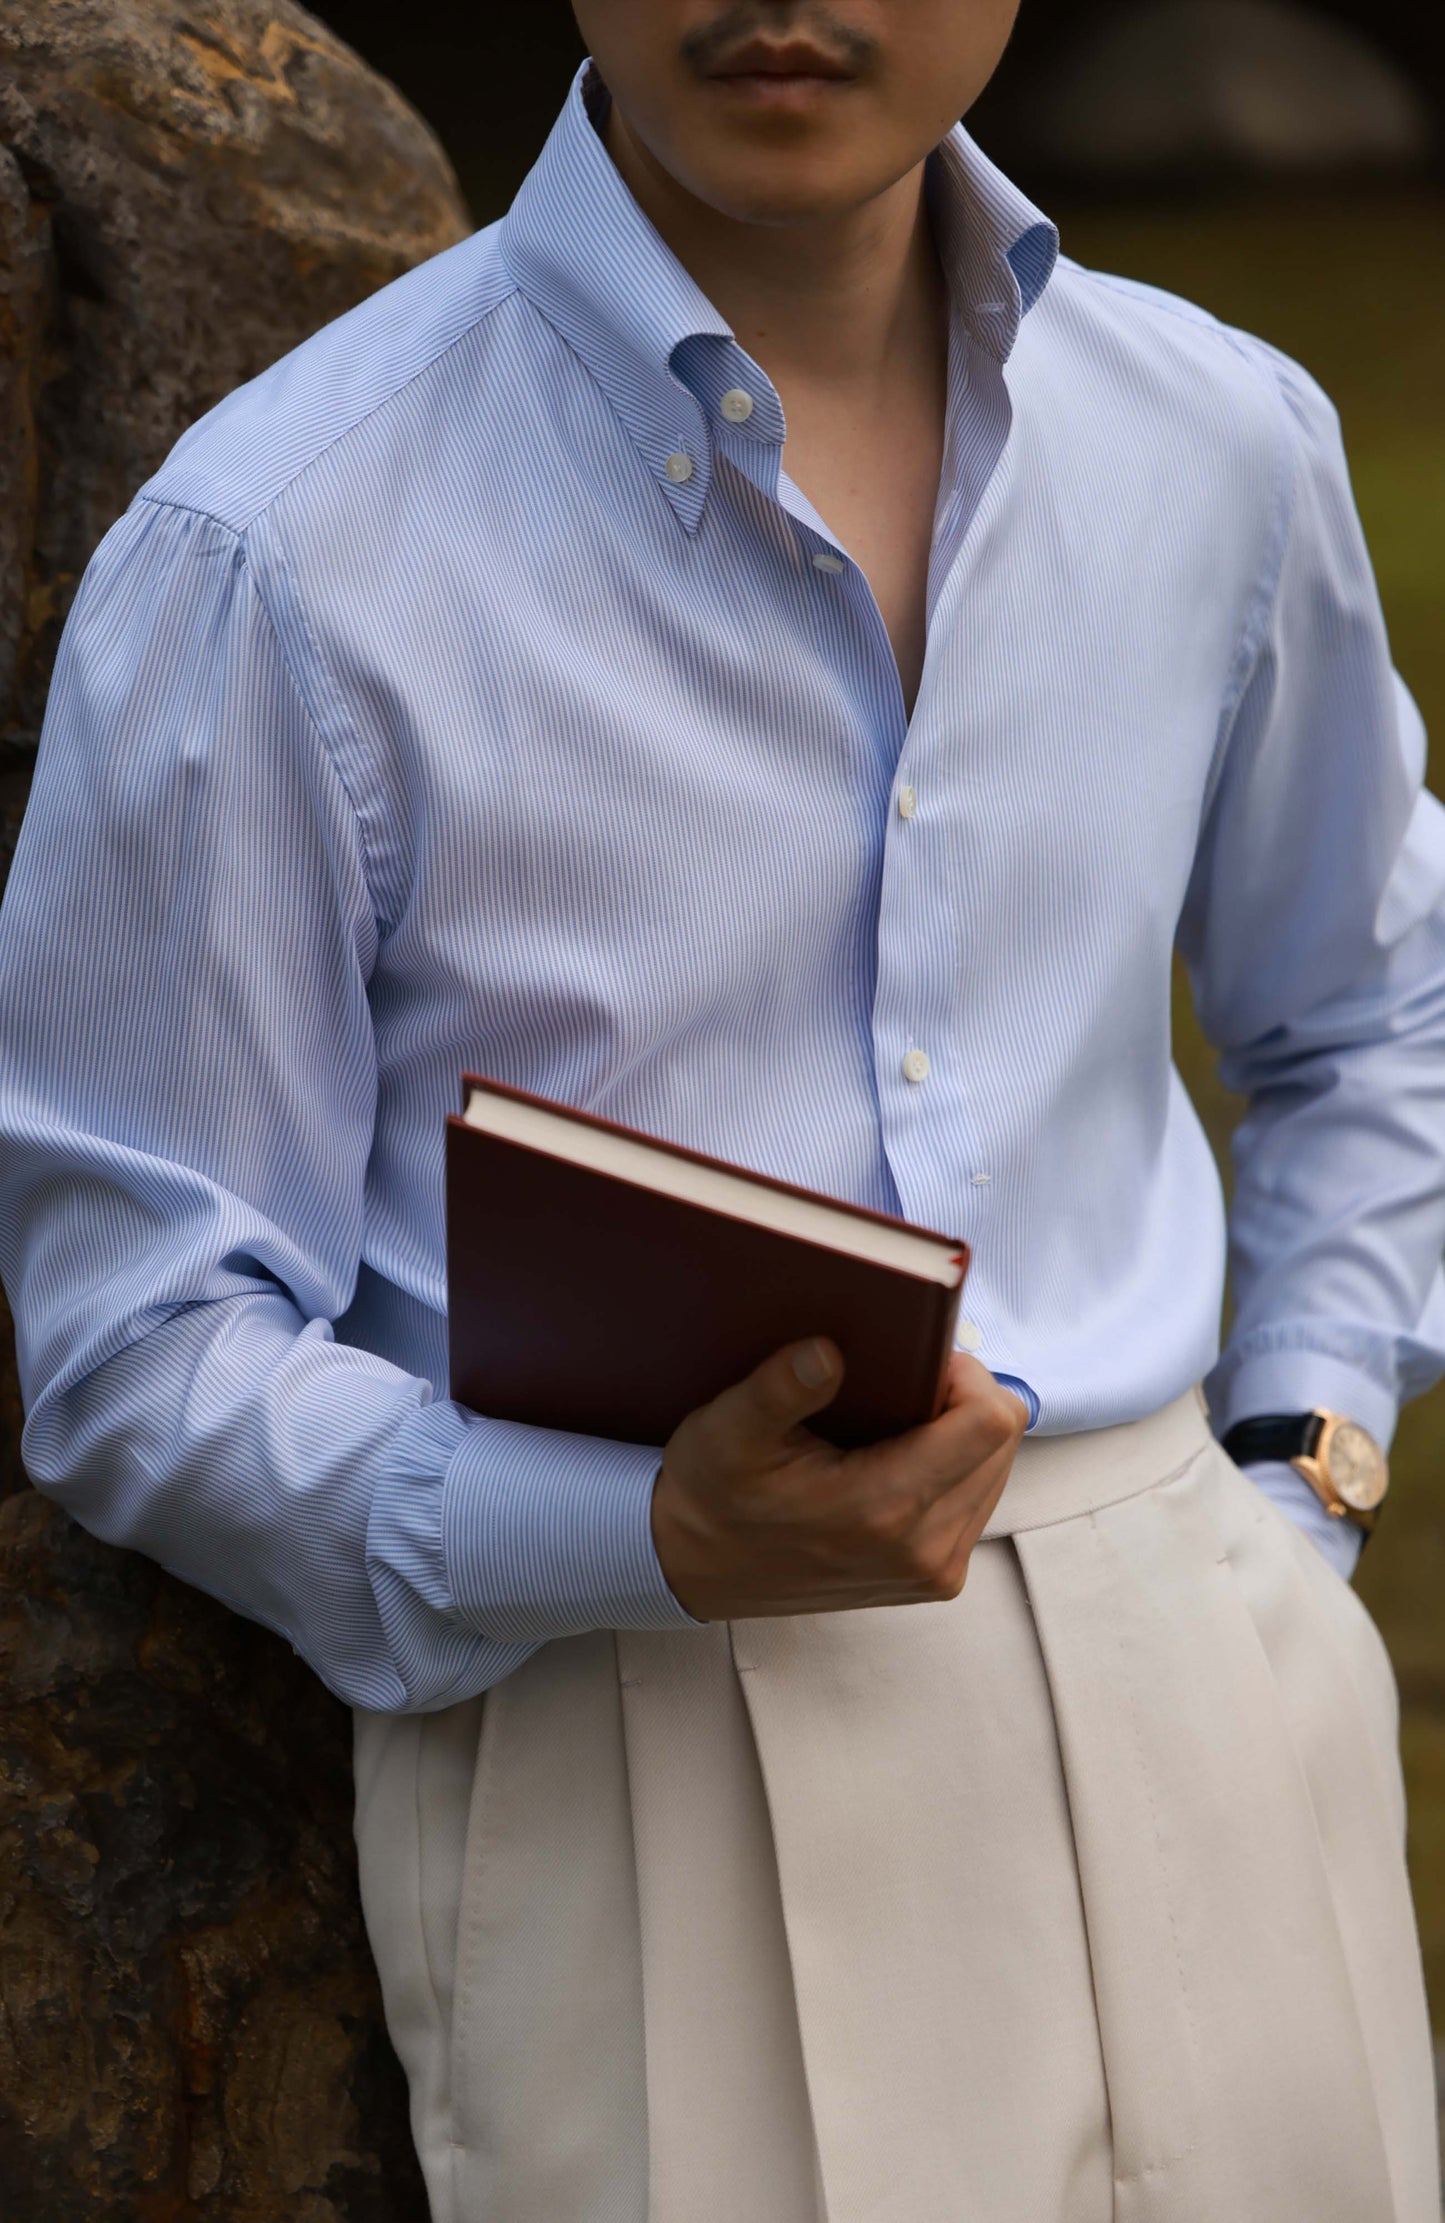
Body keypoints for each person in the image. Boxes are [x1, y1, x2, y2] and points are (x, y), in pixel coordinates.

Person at [0, 0, 1441, 2214]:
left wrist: (1303, 1465)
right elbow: (130, 1329)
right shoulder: (277, 550)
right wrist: (623, 1537)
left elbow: (1366, 1003)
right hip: (629, 1747)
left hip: (1212, 1682)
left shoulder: (1220, 439)